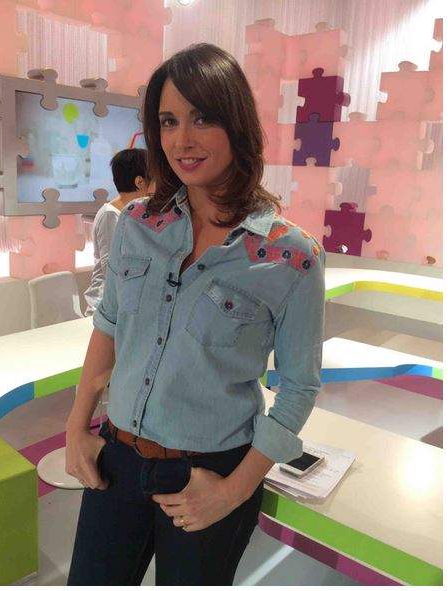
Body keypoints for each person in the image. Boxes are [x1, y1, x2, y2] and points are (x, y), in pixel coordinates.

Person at [66, 43, 325, 586]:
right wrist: (75, 425)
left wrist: (234, 490)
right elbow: (109, 325)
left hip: (209, 473)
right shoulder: (138, 222)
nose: (182, 139)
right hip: (117, 460)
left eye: (202, 118)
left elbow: (298, 387)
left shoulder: (290, 255)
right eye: (168, 121)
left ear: (237, 124)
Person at [83, 148, 152, 315]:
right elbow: (111, 267)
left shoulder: (135, 213)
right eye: (153, 178)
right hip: (105, 306)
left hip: (124, 304)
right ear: (140, 182)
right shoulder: (110, 215)